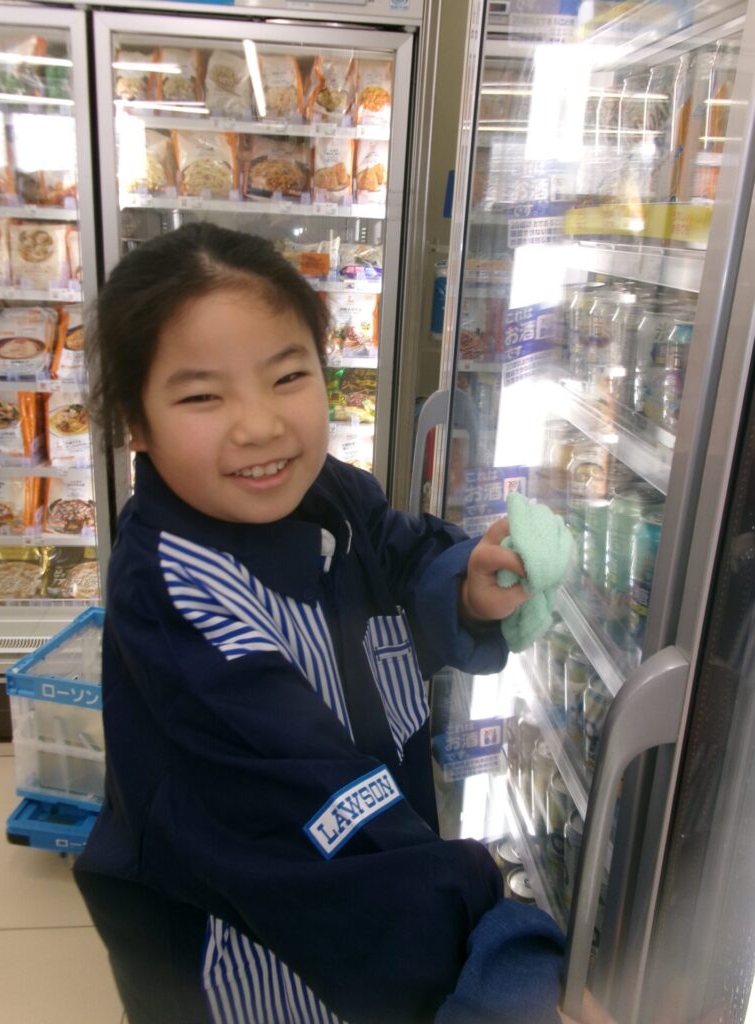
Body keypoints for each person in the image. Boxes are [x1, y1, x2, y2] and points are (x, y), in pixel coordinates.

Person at [74, 222, 609, 1024]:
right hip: (243, 962)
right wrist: (506, 968)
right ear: (135, 422)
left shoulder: (330, 495)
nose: (260, 425)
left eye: (288, 376)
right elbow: (330, 838)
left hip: (373, 912)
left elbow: (395, 552)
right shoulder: (176, 602)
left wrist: (462, 585)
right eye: (202, 395)